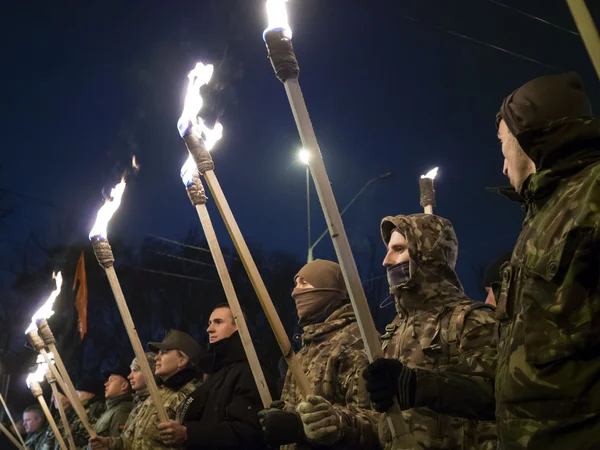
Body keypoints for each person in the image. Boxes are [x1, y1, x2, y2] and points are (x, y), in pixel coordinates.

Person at [494, 71, 600, 449]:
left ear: (526, 137)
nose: (503, 166)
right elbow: (525, 370)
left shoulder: (592, 194)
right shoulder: (543, 218)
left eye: (503, 145)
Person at [362, 214, 497, 449]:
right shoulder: (395, 329)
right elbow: (381, 417)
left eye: (399, 249)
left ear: (426, 255)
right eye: (388, 249)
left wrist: (418, 385)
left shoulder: (472, 318)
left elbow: (492, 392)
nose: (386, 260)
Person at [260, 259, 379, 449]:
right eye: (295, 284)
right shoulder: (306, 349)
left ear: (329, 289)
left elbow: (375, 419)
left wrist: (307, 425)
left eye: (304, 283)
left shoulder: (355, 341)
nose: (294, 292)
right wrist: (284, 414)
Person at [157, 304, 264, 449]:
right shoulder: (218, 372)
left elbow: (248, 430)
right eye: (209, 323)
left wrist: (189, 433)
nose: (209, 329)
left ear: (239, 326)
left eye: (218, 322)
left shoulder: (250, 369)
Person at [90, 330, 201, 449]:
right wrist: (108, 444)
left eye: (164, 352)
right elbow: (128, 441)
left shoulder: (191, 396)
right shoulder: (154, 396)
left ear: (182, 360)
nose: (157, 357)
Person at [94, 365, 134, 437]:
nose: (106, 384)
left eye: (111, 380)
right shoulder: (111, 408)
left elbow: (117, 443)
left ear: (124, 386)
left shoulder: (122, 410)